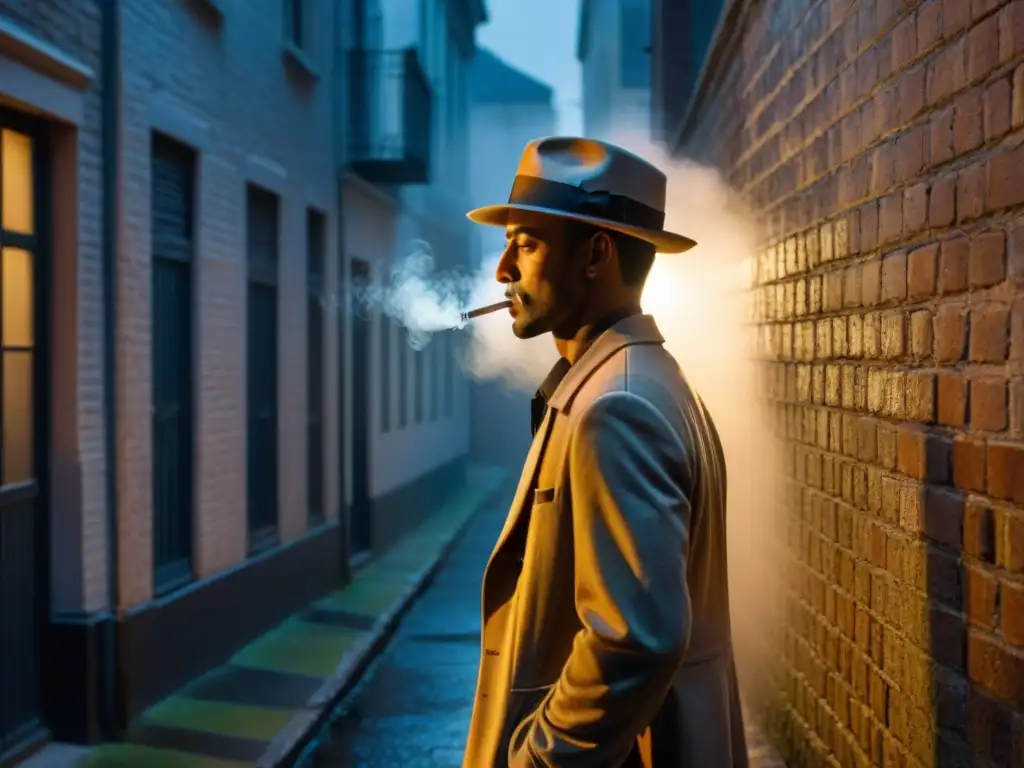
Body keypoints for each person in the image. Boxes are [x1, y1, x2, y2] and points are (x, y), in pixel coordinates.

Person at [460, 136, 749, 768]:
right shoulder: (641, 379)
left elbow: (635, 641)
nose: (502, 271)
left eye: (527, 244)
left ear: (596, 254)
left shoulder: (617, 407)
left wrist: (538, 759)